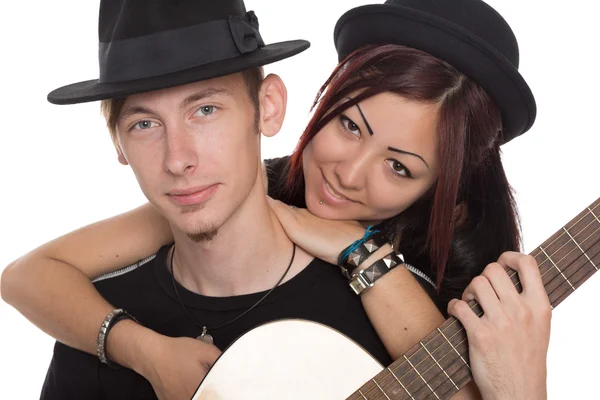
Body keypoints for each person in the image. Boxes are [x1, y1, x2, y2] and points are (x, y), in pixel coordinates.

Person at [1, 0, 551, 399]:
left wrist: (359, 252)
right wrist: (145, 352)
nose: (348, 174)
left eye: (400, 167)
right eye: (349, 127)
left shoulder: (424, 298)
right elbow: (29, 275)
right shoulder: (221, 190)